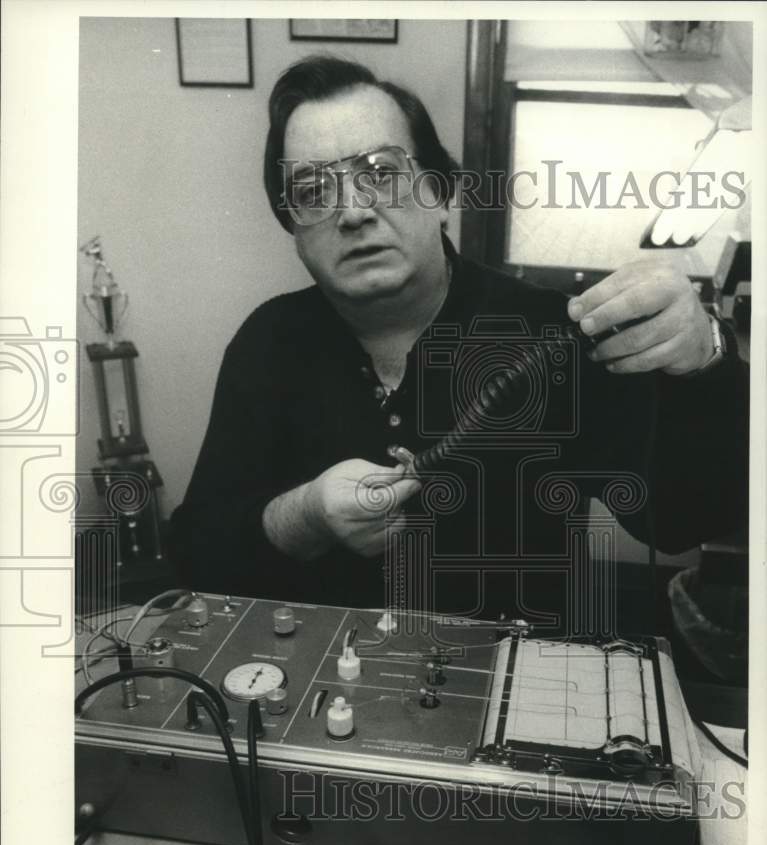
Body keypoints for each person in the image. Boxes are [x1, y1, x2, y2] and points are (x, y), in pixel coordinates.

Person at [168, 56, 748, 635]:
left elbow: (680, 521)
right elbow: (197, 556)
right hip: (321, 690)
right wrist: (306, 516)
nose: (352, 211)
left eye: (380, 172)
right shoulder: (268, 342)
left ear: (441, 194)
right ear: (294, 229)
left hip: (521, 682)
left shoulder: (549, 331)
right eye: (314, 190)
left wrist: (706, 358)